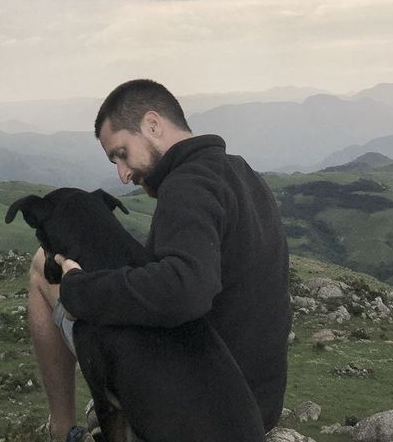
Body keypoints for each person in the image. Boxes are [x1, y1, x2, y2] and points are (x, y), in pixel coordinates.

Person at [27, 79, 291, 441]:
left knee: (43, 266)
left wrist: (80, 289)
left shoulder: (187, 186)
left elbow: (185, 290)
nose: (123, 174)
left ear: (152, 124)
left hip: (201, 411)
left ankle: (61, 430)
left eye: (121, 153)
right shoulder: (242, 174)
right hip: (255, 405)